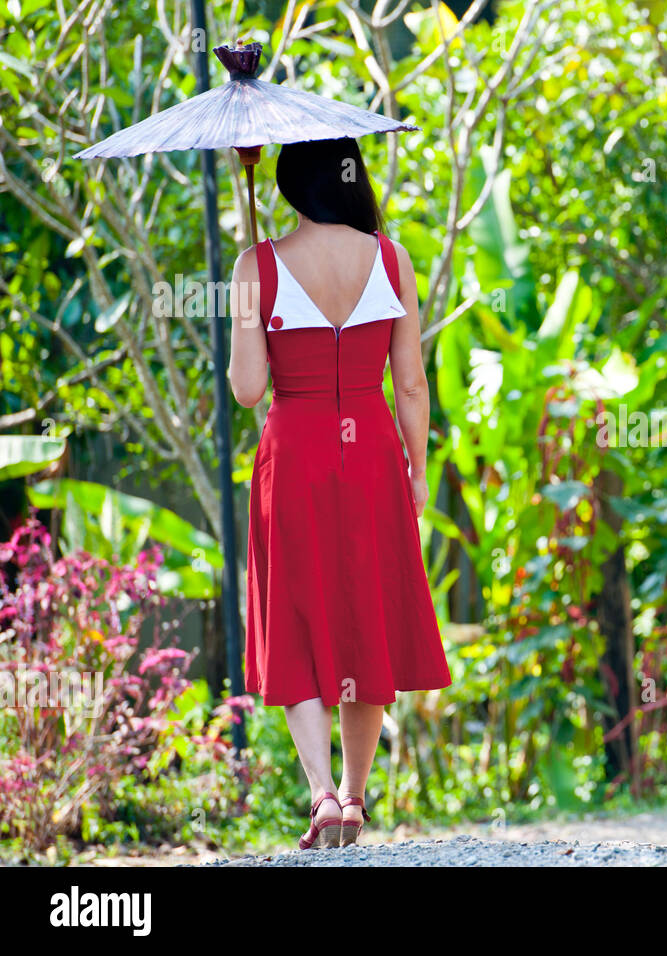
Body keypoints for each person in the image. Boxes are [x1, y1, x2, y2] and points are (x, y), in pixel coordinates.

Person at [228, 136, 451, 850]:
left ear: (292, 180)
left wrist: (247, 291)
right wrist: (416, 472)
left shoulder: (257, 265)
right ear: (349, 178)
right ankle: (354, 799)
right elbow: (411, 383)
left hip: (295, 455)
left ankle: (321, 793)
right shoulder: (391, 259)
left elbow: (247, 389)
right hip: (375, 456)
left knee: (296, 617)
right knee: (366, 618)